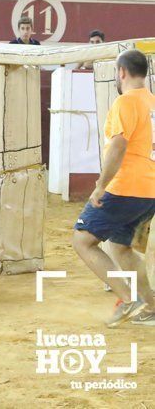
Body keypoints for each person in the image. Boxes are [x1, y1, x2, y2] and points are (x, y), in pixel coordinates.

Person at [72, 49, 155, 327]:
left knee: (82, 240)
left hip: (125, 187)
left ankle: (128, 299)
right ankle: (151, 307)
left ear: (121, 72)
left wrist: (100, 186)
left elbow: (118, 147)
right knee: (120, 247)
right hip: (149, 189)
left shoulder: (125, 102)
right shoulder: (151, 102)